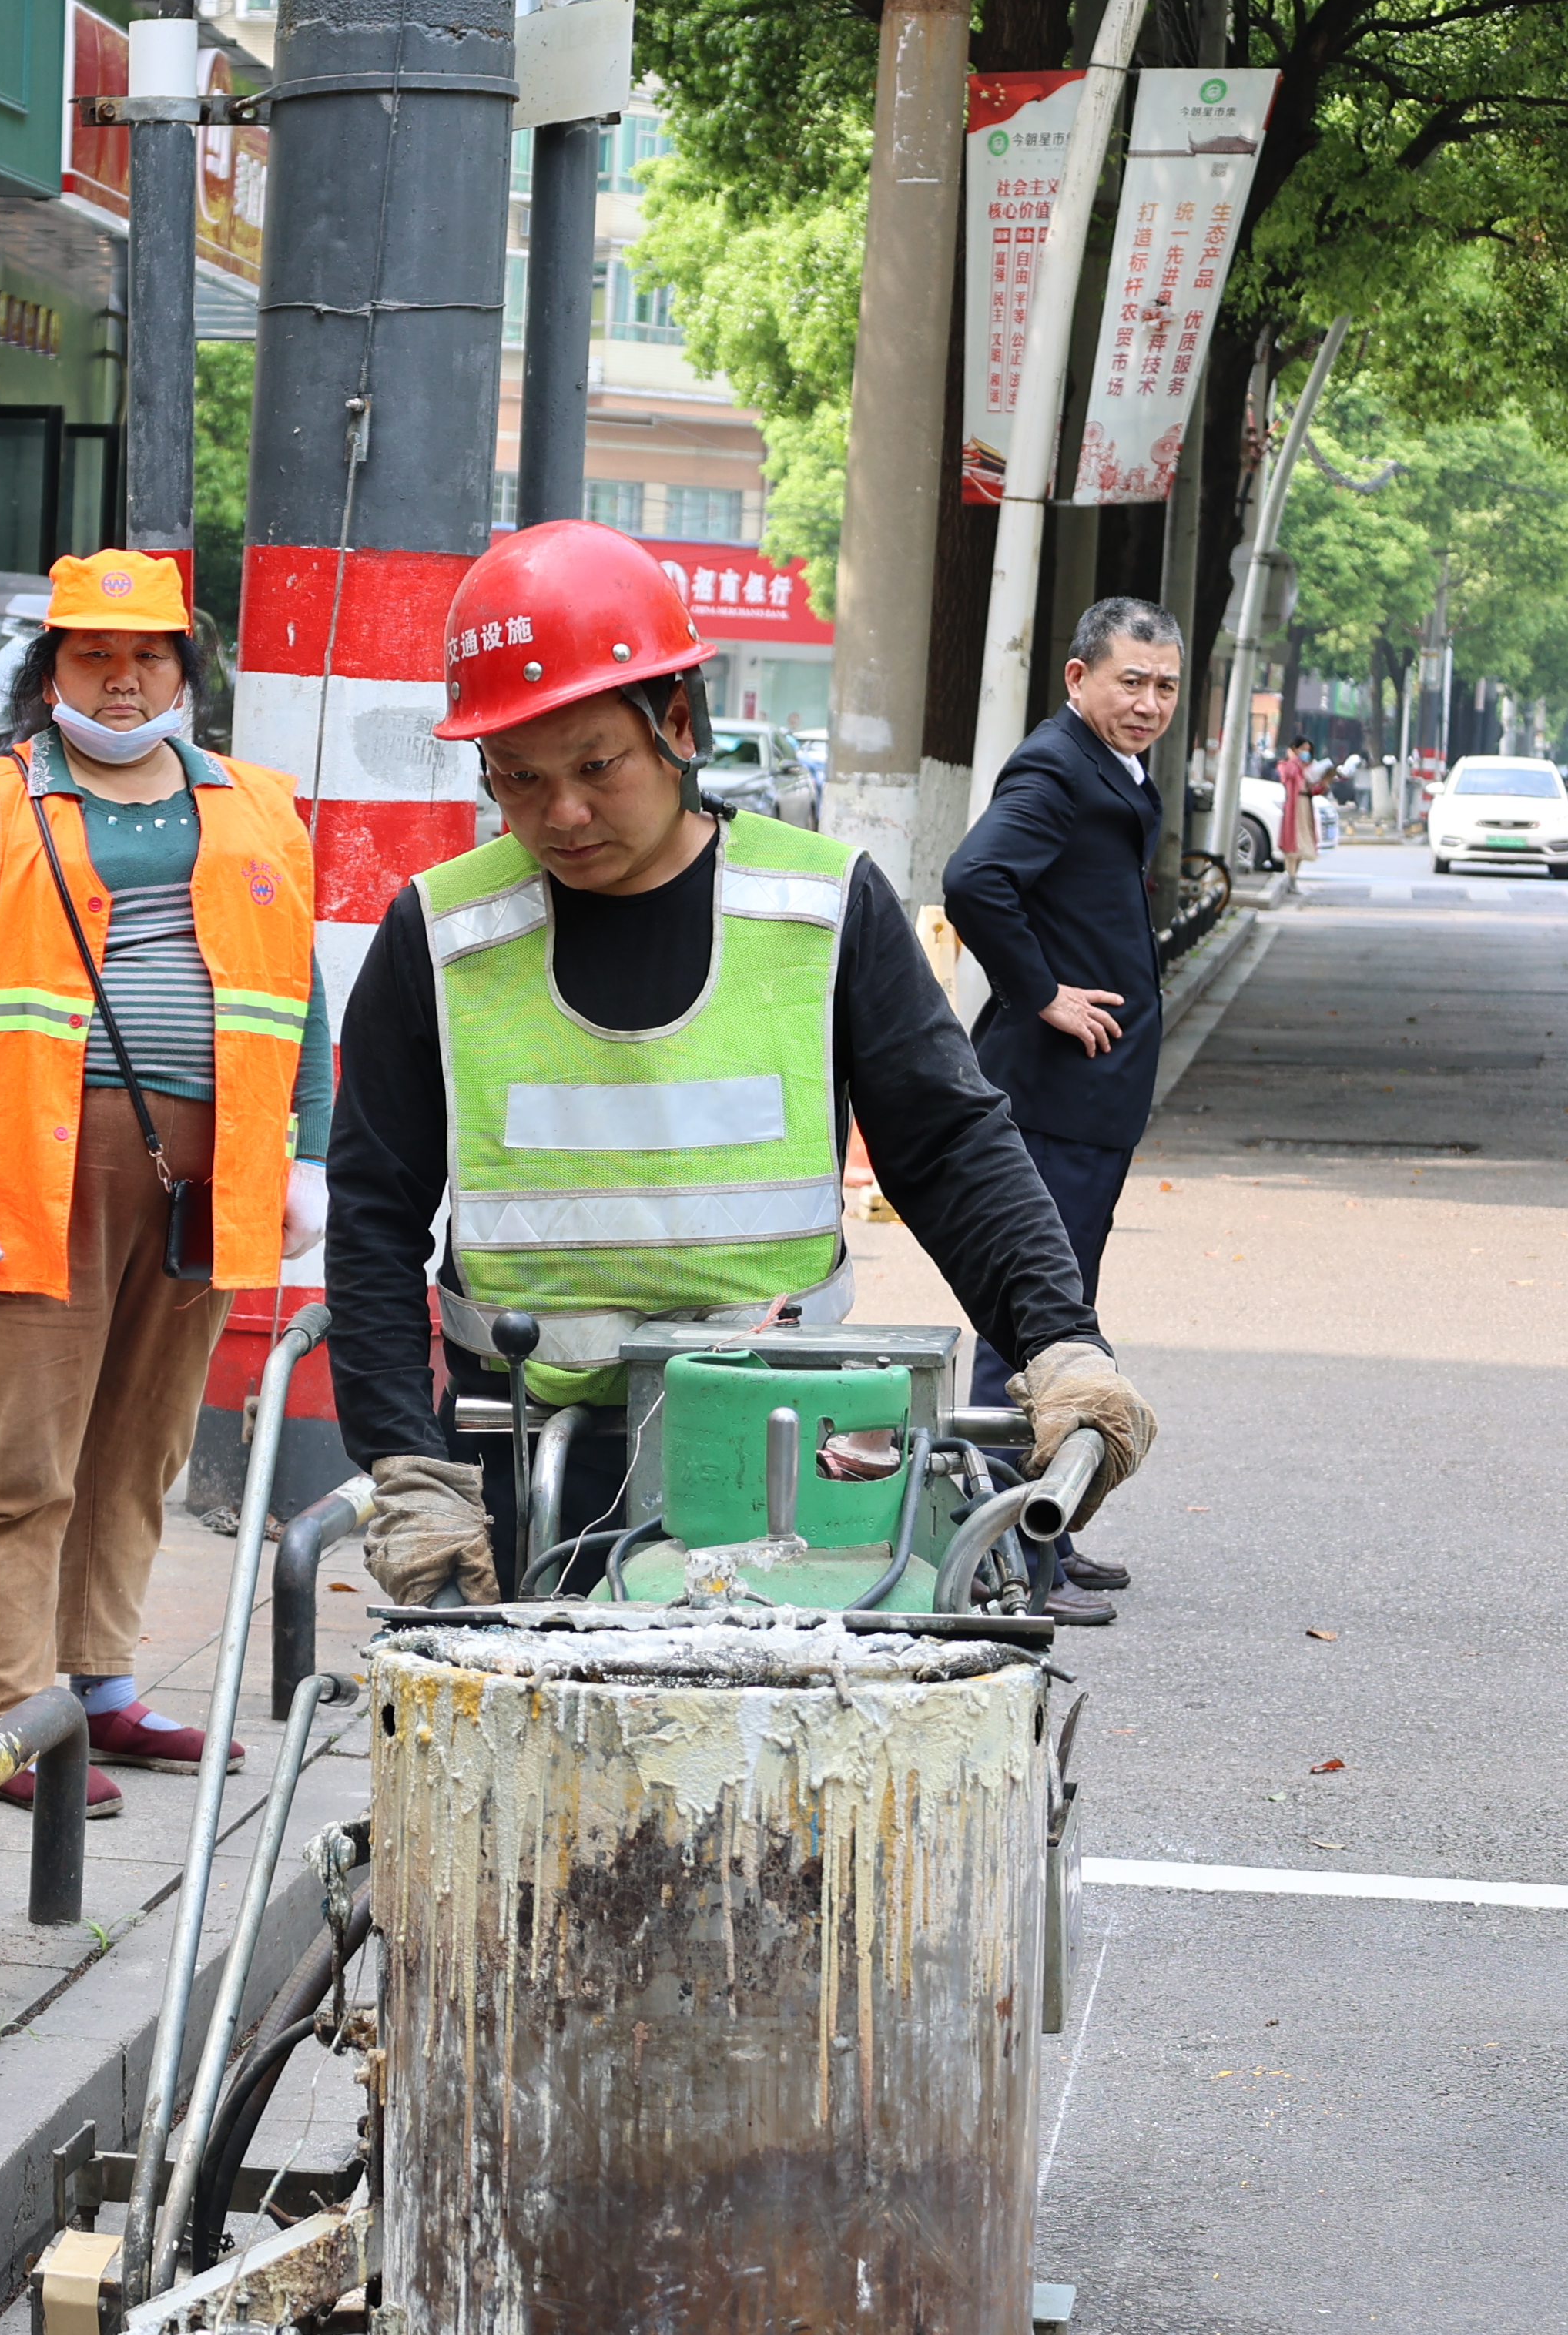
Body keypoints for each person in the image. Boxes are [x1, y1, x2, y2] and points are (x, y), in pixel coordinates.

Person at [322, 521, 1154, 1610]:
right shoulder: (443, 934)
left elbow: (948, 1148)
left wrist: (1059, 1342)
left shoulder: (821, 906)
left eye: (595, 767)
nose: (560, 814)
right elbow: (375, 1209)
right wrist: (406, 1466)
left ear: (677, 724)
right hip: (524, 1452)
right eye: (516, 778)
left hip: (782, 1450)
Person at [0, 548, 330, 1817]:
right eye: (94, 656)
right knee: (22, 1456)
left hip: (207, 1184)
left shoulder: (254, 807)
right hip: (36, 1173)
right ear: (50, 671)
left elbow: (303, 995)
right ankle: (21, 1723)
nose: (121, 681)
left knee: (139, 1445)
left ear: (187, 670)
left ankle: (103, 1687)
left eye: (148, 657)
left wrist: (312, 1148)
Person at [936, 595, 1187, 1621]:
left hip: (1088, 1099)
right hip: (1050, 1096)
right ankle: (1009, 1562)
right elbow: (975, 878)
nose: (1149, 702)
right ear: (1078, 679)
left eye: (1165, 685)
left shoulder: (1108, 769)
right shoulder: (1054, 767)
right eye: (1130, 680)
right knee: (1029, 1322)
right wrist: (1042, 994)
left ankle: (1050, 1524)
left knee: (1058, 1308)